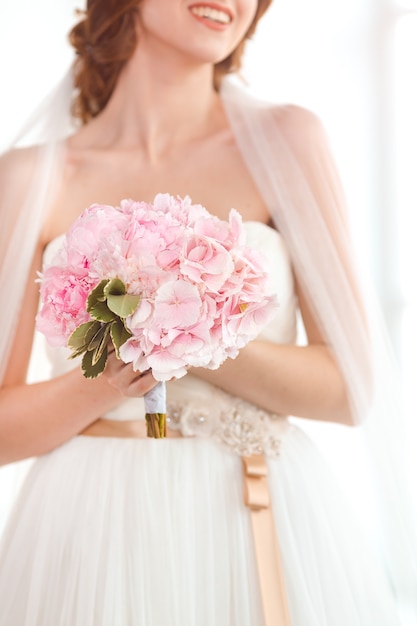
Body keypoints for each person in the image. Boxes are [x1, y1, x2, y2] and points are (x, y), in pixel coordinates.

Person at [0, 1, 416, 624]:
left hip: (249, 508)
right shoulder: (29, 178)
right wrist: (111, 375)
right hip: (89, 527)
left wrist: (188, 332)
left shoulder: (286, 141)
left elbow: (351, 390)